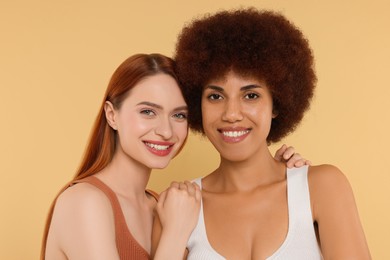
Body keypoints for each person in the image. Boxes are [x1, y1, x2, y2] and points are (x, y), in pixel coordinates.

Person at [153, 8, 371, 259]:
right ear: (196, 105)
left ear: (276, 104)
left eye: (251, 96)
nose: (231, 113)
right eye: (215, 96)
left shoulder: (322, 188)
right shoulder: (177, 206)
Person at [41, 53, 305, 260]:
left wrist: (285, 185)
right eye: (148, 112)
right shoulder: (84, 202)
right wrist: (175, 234)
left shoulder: (163, 205)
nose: (166, 131)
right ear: (112, 115)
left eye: (178, 115)